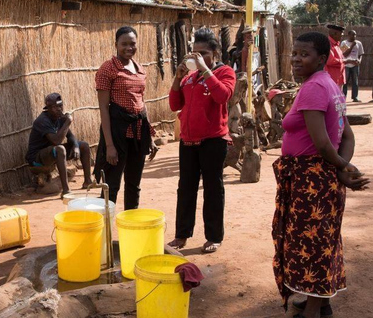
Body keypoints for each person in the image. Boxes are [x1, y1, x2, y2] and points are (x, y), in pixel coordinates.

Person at [272, 31, 369, 318]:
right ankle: (321, 301)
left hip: (310, 180)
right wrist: (342, 169)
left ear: (322, 58)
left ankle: (311, 316)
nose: (297, 59)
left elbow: (324, 143)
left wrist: (343, 167)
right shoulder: (330, 85)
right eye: (295, 53)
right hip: (321, 176)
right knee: (324, 240)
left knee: (311, 242)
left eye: (305, 54)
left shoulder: (315, 88)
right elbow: (347, 136)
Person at [167, 29, 236, 254]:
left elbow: (223, 96)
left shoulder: (225, 72)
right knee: (185, 188)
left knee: (213, 189)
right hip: (188, 141)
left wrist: (206, 70)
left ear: (215, 53)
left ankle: (214, 236)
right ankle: (181, 235)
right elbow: (175, 104)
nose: (197, 58)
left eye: (203, 53)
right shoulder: (189, 77)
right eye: (194, 53)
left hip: (213, 140)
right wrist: (177, 78)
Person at [94, 26, 158, 208]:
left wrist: (149, 138)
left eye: (132, 44)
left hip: (138, 133)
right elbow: (104, 109)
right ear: (116, 45)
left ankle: (130, 231)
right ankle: (104, 232)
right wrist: (110, 146)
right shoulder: (108, 69)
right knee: (111, 185)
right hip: (117, 133)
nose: (129, 47)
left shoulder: (140, 69)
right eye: (124, 44)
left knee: (134, 185)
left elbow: (141, 103)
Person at [25, 93, 92, 197]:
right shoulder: (43, 120)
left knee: (84, 145)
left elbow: (70, 136)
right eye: (55, 107)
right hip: (37, 159)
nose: (59, 109)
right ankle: (66, 191)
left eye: (60, 106)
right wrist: (67, 122)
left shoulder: (59, 118)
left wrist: (75, 146)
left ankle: (88, 182)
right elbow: (56, 142)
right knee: (60, 149)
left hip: (52, 152)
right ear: (48, 108)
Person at [340, 30, 363, 102]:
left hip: (355, 65)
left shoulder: (359, 43)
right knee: (345, 82)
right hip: (346, 65)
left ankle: (355, 97)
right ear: (348, 35)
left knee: (355, 82)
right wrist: (352, 46)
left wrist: (359, 60)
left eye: (355, 35)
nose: (354, 36)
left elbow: (360, 54)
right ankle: (343, 97)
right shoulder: (344, 43)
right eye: (353, 35)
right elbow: (344, 54)